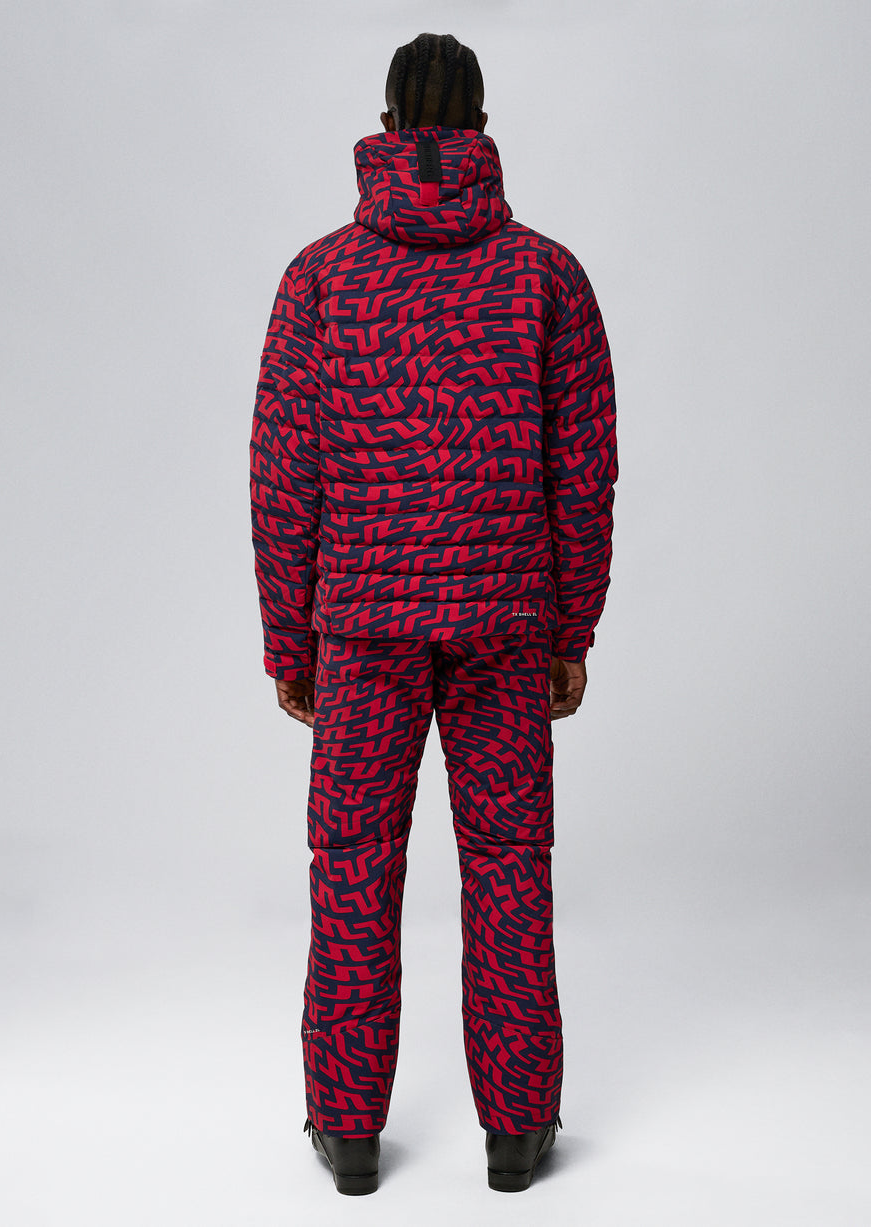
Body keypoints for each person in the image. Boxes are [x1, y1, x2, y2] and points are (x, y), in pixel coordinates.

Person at [249, 31, 617, 1196]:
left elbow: (283, 476)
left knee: (352, 868)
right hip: (506, 623)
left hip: (361, 629)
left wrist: (289, 641)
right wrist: (570, 630)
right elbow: (583, 473)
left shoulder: (319, 277)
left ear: (386, 127)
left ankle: (348, 1133)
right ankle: (517, 1130)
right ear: (480, 127)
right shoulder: (546, 277)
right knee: (507, 866)